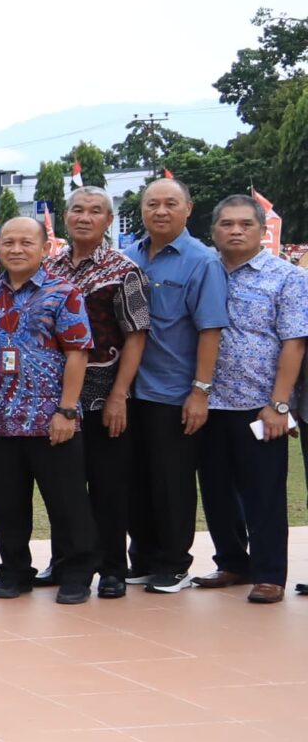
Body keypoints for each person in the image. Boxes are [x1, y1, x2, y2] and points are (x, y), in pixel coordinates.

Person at [37, 188, 150, 599]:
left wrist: (120, 395)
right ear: (66, 217)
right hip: (58, 398)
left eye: (95, 211)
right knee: (62, 485)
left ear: (108, 220)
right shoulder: (48, 268)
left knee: (108, 484)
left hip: (106, 396)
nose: (85, 217)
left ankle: (113, 568)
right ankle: (65, 560)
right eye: (77, 210)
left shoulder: (124, 270)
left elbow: (137, 336)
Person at [193, 194, 306, 602]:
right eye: (227, 224)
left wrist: (279, 405)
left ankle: (269, 573)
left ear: (262, 230)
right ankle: (232, 563)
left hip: (260, 405)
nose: (236, 231)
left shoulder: (287, 278)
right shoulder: (203, 271)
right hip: (208, 402)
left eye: (245, 224)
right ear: (213, 230)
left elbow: (294, 343)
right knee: (217, 490)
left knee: (264, 493)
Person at [0, 216, 96, 602]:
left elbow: (78, 353)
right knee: (6, 507)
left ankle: (76, 572)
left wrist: (67, 411)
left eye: (26, 242)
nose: (16, 249)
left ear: (46, 247)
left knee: (67, 504)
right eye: (8, 242)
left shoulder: (64, 293)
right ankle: (14, 572)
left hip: (51, 420)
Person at [124, 178, 228, 593]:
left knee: (172, 481)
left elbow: (211, 330)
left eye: (170, 203)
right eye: (152, 204)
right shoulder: (127, 256)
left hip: (173, 391)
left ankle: (173, 563)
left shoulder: (202, 261)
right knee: (135, 479)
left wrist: (200, 391)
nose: (160, 211)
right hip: (128, 391)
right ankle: (144, 557)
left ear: (188, 208)